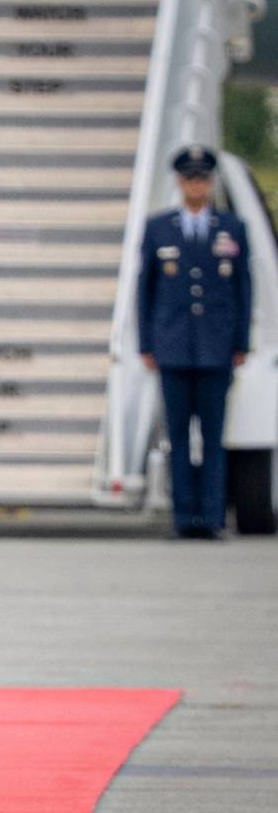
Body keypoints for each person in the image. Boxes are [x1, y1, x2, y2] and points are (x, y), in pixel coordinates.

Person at [138, 145, 251, 540]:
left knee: (214, 438)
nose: (197, 184)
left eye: (203, 178)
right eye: (190, 178)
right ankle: (185, 517)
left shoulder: (231, 227)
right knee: (180, 438)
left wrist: (241, 342)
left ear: (210, 182)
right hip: (172, 347)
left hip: (217, 349)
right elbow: (145, 290)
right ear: (180, 182)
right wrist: (145, 344)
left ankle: (214, 517)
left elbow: (242, 289)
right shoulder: (159, 228)